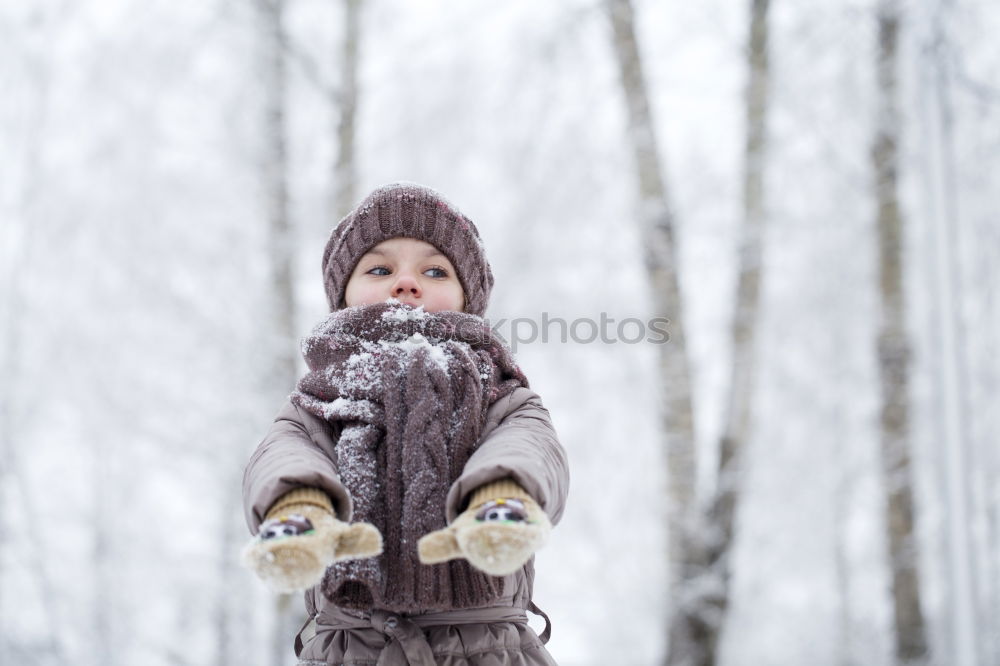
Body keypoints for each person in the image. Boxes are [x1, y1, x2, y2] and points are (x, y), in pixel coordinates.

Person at [242, 182, 570, 665]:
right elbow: (284, 454)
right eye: (380, 268)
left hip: (486, 649)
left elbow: (530, 446)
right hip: (350, 651)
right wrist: (300, 504)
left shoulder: (500, 392)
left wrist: (503, 496)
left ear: (466, 299)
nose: (407, 282)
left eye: (434, 270)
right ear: (344, 295)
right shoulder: (318, 400)